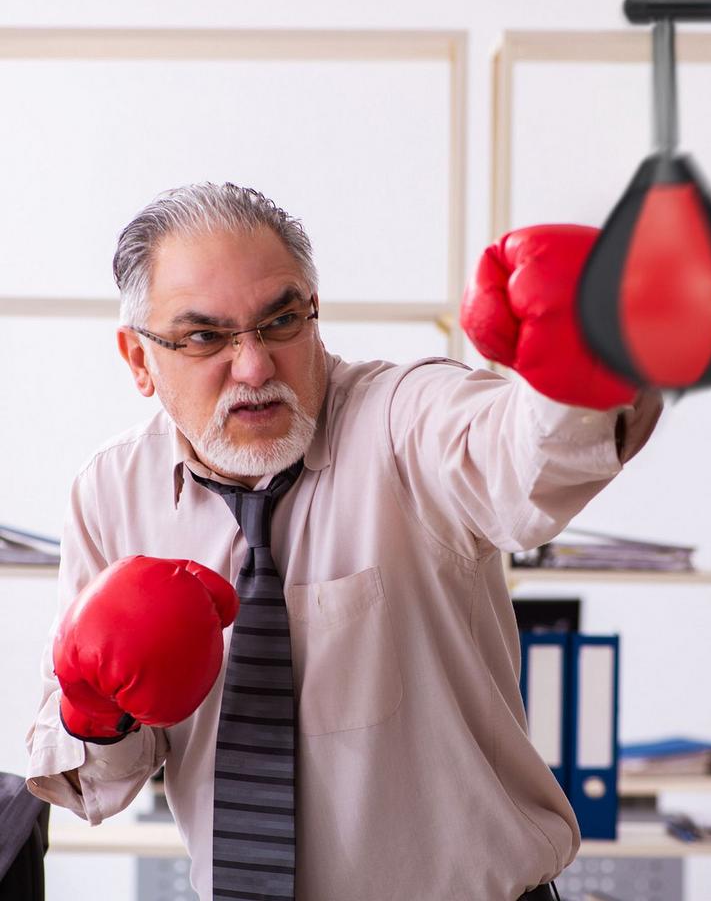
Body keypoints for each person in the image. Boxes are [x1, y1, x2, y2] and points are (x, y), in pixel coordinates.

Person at [26, 183, 663, 900]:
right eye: (206, 336)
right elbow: (95, 788)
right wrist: (94, 711)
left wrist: (584, 359)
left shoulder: (402, 422)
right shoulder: (113, 493)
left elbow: (526, 462)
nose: (255, 367)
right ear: (138, 359)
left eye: (282, 321)